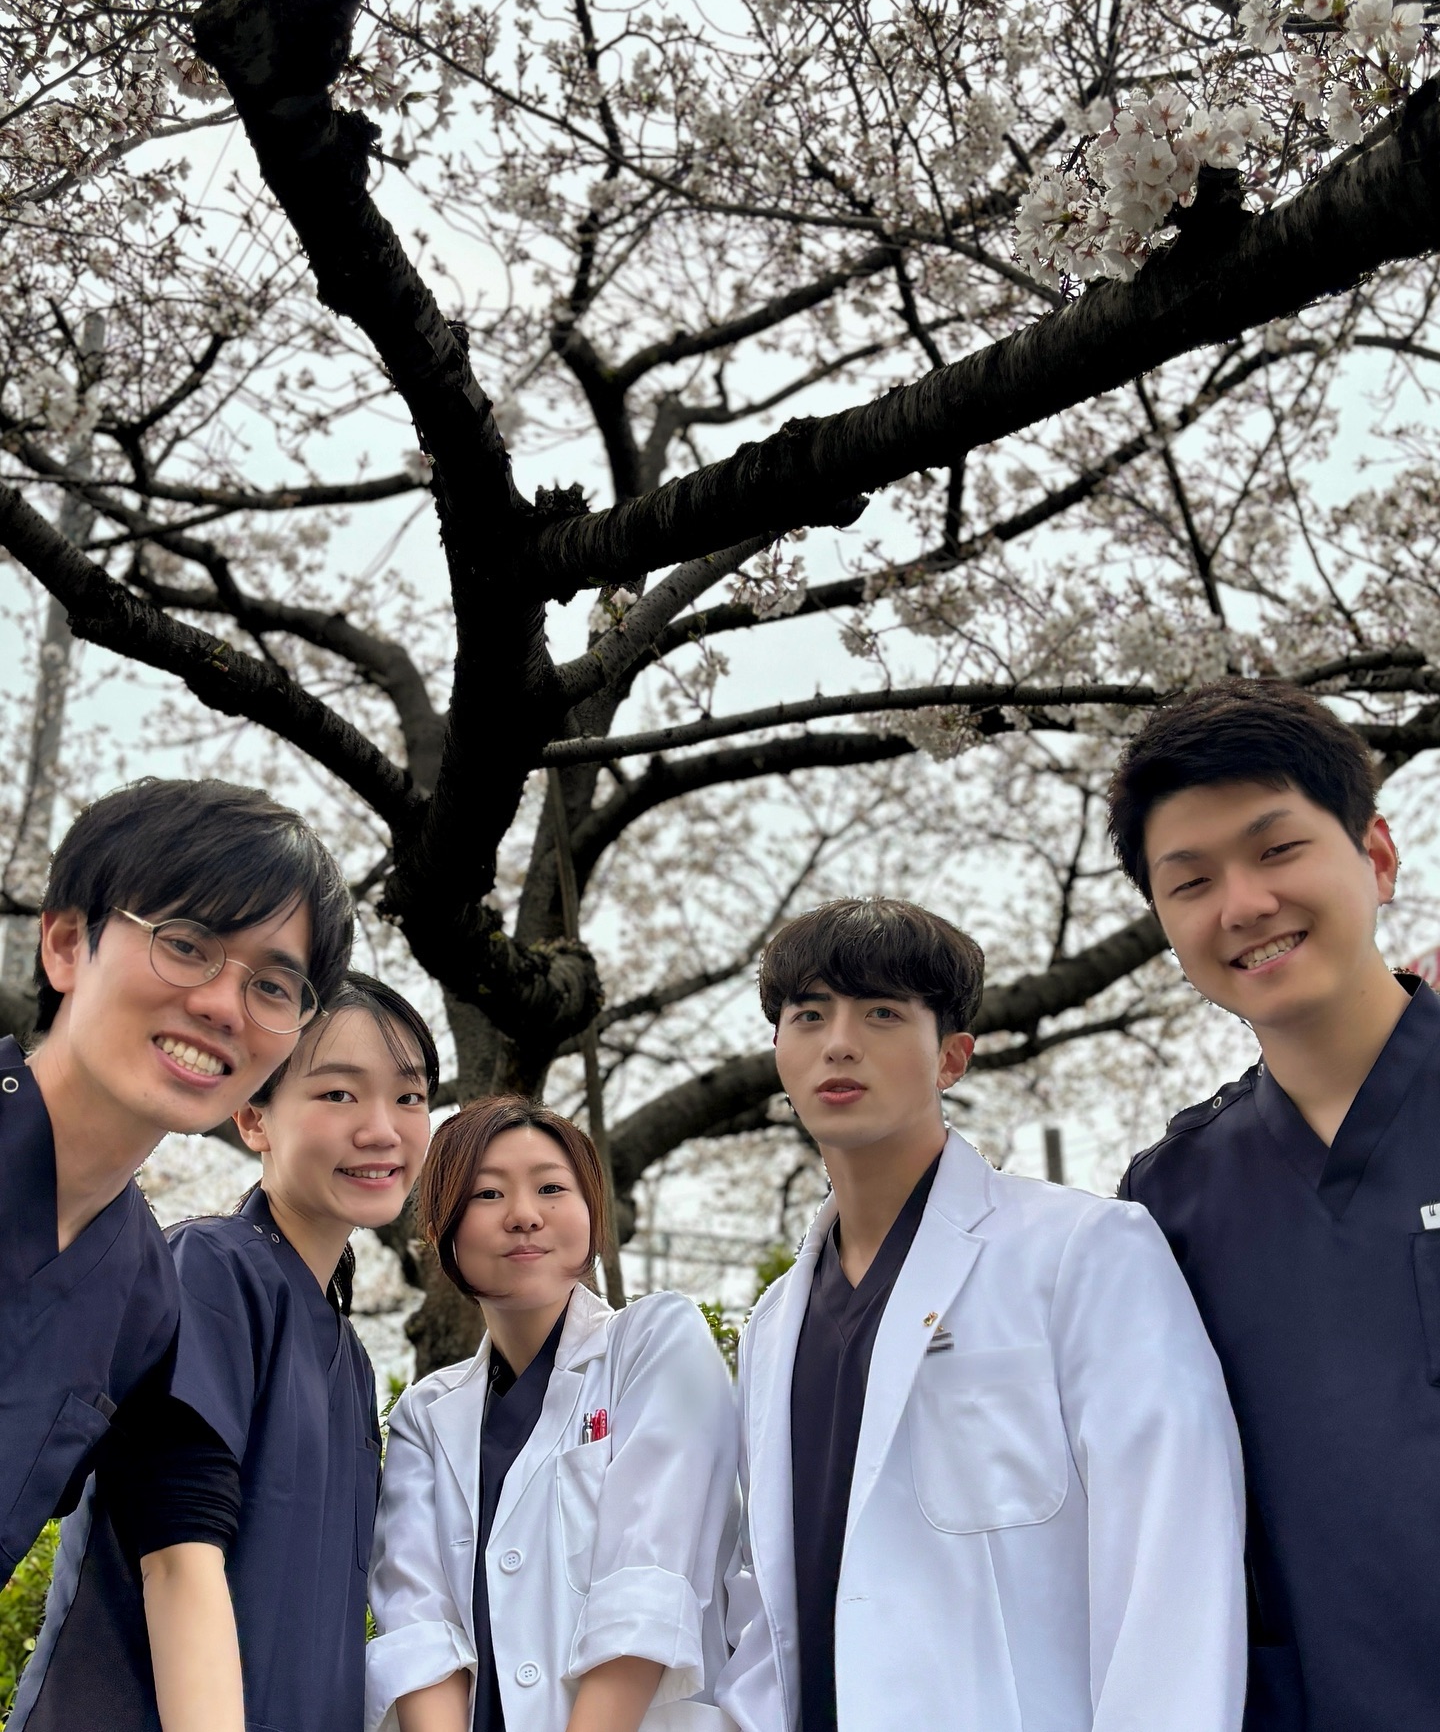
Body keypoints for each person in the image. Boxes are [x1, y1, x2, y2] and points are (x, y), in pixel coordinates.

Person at [716, 896, 1246, 1732]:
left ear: (952, 1057)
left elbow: (1175, 1565)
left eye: (882, 1012)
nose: (839, 1042)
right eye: (808, 1015)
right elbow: (770, 1605)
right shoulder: (774, 1324)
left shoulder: (1082, 1251)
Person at [1107, 677, 1440, 1732]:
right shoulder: (1167, 1203)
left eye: (1278, 849)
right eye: (1191, 881)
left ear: (1377, 856)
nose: (1243, 905)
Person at [10, 971, 438, 1732]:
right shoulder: (211, 1269)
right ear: (252, 1118)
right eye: (339, 1093)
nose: (382, 1128)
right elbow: (177, 1557)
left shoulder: (349, 1356)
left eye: (409, 1097)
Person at [0, 775, 351, 1590]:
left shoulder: (145, 1299)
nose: (225, 1006)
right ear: (66, 943)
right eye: (187, 943)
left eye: (272, 986)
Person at [366, 1096, 738, 1732]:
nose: (524, 1216)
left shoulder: (655, 1343)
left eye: (551, 1188)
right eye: (487, 1194)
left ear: (591, 1212)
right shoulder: (425, 1416)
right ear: (444, 1230)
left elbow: (647, 1586)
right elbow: (419, 1628)